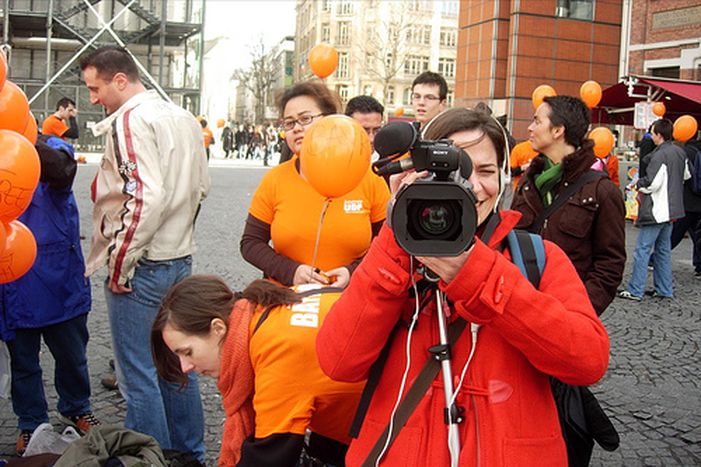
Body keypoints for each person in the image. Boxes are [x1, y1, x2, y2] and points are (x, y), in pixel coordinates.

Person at [316, 107, 610, 466]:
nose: (470, 186)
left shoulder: (537, 258)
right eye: (455, 171)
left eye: (485, 171)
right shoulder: (390, 260)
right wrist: (396, 239)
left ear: (503, 181)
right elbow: (338, 362)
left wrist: (479, 277)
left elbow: (587, 361)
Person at [80, 45, 209, 460]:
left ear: (121, 80)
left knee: (139, 376)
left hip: (144, 262)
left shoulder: (132, 119)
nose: (93, 98)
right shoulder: (183, 116)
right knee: (176, 366)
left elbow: (144, 198)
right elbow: (200, 187)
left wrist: (119, 263)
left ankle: (149, 458)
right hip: (179, 256)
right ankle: (188, 454)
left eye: (95, 88)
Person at [151, 276, 364, 466]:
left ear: (218, 328)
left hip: (387, 426)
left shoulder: (277, 353)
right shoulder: (264, 312)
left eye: (187, 352)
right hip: (361, 414)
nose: (185, 367)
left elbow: (270, 455)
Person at [0, 136, 98, 456]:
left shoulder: (53, 146)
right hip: (13, 278)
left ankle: (76, 407)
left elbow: (63, 170)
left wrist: (22, 139)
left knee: (72, 355)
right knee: (23, 362)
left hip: (60, 279)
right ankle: (31, 422)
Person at [240, 81, 390, 288]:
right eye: (289, 123)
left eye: (305, 119)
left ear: (330, 121)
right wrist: (291, 272)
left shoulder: (370, 179)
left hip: (350, 299)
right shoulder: (275, 179)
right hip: (286, 301)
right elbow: (250, 243)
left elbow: (387, 245)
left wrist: (353, 272)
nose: (297, 128)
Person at [511, 95, 626, 316]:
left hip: (566, 314)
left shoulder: (601, 190)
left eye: (537, 121)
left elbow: (610, 265)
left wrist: (579, 310)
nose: (529, 128)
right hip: (522, 309)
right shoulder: (529, 181)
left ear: (557, 131)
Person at [618, 118, 687, 300]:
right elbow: (687, 175)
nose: (651, 137)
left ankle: (636, 289)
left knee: (642, 249)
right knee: (663, 250)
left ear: (659, 135)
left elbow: (651, 184)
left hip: (657, 209)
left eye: (652, 133)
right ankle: (664, 289)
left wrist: (637, 185)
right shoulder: (680, 152)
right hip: (672, 210)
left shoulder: (659, 156)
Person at [671, 137, 701, 278]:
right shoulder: (696, 152)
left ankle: (654, 258)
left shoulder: (684, 152)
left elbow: (684, 176)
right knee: (697, 235)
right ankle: (699, 265)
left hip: (687, 200)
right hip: (698, 201)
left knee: (676, 233)